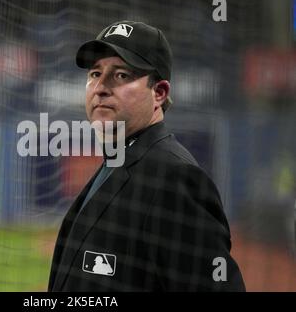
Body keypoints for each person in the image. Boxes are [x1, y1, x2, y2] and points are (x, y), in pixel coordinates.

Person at [48, 21, 245, 291]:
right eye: (95, 74)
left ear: (159, 93)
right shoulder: (117, 163)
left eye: (121, 76)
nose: (100, 87)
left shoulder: (174, 178)